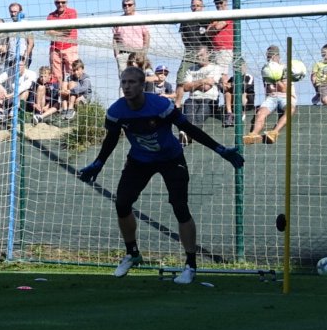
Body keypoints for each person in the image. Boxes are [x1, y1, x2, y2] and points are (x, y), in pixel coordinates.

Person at [77, 65, 244, 285]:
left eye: (132, 82)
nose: (127, 86)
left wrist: (220, 149)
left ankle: (190, 265)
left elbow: (190, 128)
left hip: (171, 159)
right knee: (122, 203)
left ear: (142, 84)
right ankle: (133, 254)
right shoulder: (116, 111)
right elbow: (111, 138)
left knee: (180, 207)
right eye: (124, 82)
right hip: (139, 161)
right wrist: (98, 163)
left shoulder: (160, 105)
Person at [244, 47, 295, 144]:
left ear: (277, 56)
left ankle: (274, 132)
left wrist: (276, 80)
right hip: (272, 97)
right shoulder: (266, 69)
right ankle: (253, 134)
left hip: (286, 96)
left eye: (272, 56)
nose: (270, 58)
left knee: (290, 110)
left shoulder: (285, 68)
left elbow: (285, 89)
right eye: (268, 56)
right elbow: (268, 88)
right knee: (260, 113)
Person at [111, 0, 153, 75]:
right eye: (125, 5)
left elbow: (146, 36)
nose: (127, 7)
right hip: (123, 54)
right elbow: (115, 38)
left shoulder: (141, 18)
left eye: (129, 5)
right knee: (124, 78)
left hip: (138, 54)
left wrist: (144, 52)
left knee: (138, 77)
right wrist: (117, 55)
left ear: (134, 6)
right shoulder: (118, 20)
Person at [46, 0, 80, 83]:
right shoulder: (51, 16)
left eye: (63, 2)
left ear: (67, 2)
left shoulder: (72, 12)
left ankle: (73, 95)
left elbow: (68, 31)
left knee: (73, 72)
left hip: (70, 47)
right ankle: (59, 94)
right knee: (56, 76)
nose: (60, 4)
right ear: (54, 3)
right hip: (55, 49)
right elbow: (46, 32)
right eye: (58, 2)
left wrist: (54, 32)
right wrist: (61, 32)